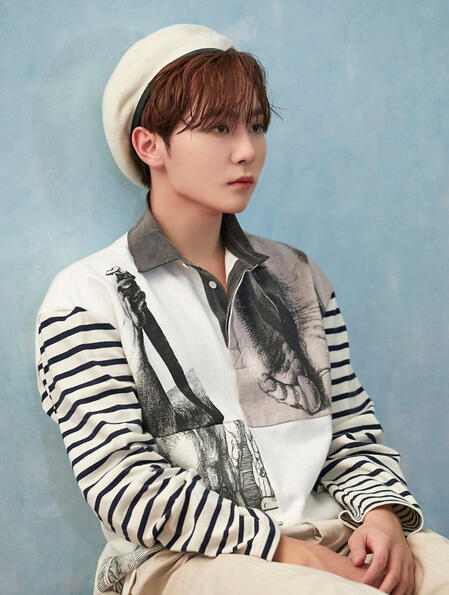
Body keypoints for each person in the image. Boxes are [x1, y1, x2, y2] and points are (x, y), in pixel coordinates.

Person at [34, 23, 449, 595]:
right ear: (149, 145)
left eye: (256, 125)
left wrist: (383, 517)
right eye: (218, 128)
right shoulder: (86, 296)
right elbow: (123, 484)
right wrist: (283, 549)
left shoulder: (299, 276)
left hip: (334, 532)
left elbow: (349, 432)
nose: (247, 149)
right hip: (183, 561)